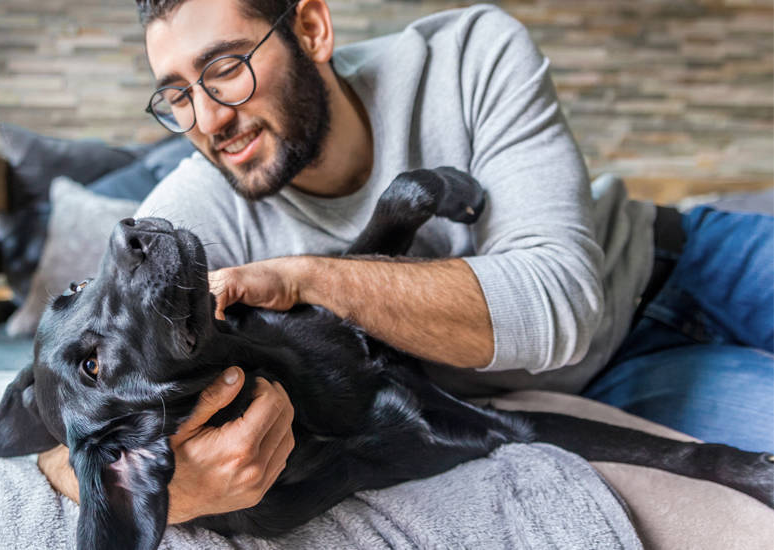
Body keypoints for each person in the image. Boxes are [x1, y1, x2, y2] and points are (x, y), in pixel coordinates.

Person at [38, 0, 773, 524]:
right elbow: (60, 404)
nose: (208, 119)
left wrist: (308, 276)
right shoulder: (188, 215)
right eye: (176, 96)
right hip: (612, 374)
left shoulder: (470, 53)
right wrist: (158, 489)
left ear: (310, 27)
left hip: (685, 254)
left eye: (225, 68)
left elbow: (558, 304)